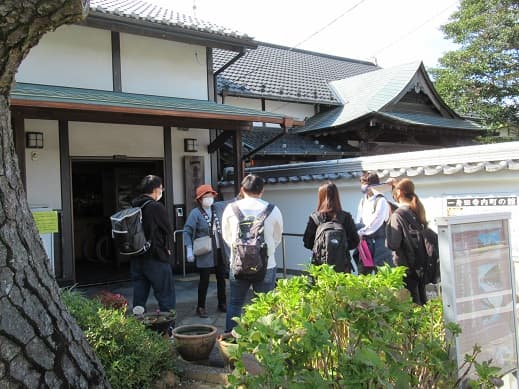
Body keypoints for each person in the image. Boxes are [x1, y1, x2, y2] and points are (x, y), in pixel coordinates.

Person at [221, 174, 283, 332]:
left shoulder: (231, 208)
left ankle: (231, 340)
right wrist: (265, 251)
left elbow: (227, 236)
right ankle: (264, 342)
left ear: (242, 189)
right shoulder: (273, 209)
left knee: (235, 303)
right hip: (266, 265)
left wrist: (241, 251)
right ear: (262, 190)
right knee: (265, 305)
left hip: (237, 263)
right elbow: (277, 237)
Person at [130, 175, 175, 312]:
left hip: (137, 257)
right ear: (156, 189)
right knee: (165, 297)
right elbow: (168, 229)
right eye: (161, 188)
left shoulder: (134, 205)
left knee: (139, 298)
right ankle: (168, 330)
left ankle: (138, 328)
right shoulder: (156, 207)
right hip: (156, 257)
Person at [184, 184, 229, 318]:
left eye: (211, 196)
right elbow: (187, 231)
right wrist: (189, 249)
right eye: (206, 197)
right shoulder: (195, 213)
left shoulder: (218, 207)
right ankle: (201, 306)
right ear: (199, 199)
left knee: (221, 278)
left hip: (219, 249)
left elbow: (233, 201)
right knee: (204, 280)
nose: (209, 199)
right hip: (205, 251)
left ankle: (222, 303)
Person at [386, 178, 428, 305]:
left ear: (398, 192)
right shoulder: (416, 211)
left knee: (409, 305)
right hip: (420, 264)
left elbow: (394, 244)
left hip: (405, 267)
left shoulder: (397, 215)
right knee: (421, 302)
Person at [302, 182, 359, 273]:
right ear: (337, 196)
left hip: (320, 267)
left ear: (320, 196)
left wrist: (321, 247)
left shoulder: (315, 217)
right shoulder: (346, 217)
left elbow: (307, 242)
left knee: (321, 286)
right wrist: (341, 247)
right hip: (343, 267)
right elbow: (355, 241)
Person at [355, 171, 393, 273]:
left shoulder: (381, 200)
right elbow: (358, 220)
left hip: (379, 242)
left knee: (381, 274)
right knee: (363, 275)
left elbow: (376, 222)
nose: (363, 186)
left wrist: (361, 232)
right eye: (362, 183)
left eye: (365, 183)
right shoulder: (362, 201)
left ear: (373, 185)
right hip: (364, 242)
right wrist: (358, 232)